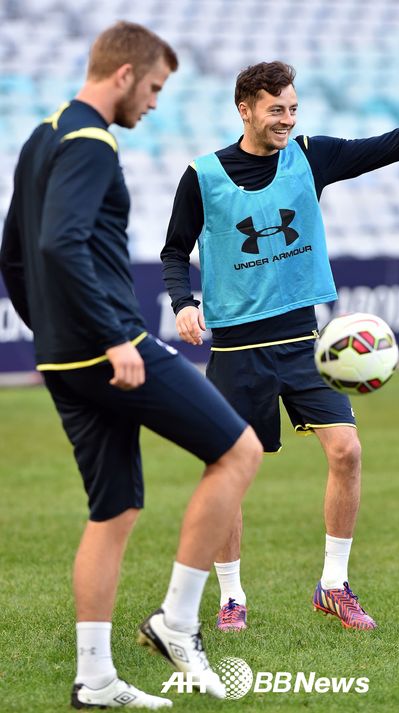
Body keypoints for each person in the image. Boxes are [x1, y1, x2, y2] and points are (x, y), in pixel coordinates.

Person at [160, 60, 399, 633]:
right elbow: (175, 250)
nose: (287, 119)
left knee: (346, 451)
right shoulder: (202, 175)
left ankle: (333, 585)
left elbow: (394, 144)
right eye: (276, 110)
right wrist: (183, 302)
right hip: (236, 350)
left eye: (293, 109)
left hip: (304, 340)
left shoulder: (311, 156)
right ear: (245, 110)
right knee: (228, 471)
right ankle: (231, 597)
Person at [0, 21, 262, 709]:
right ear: (124, 75)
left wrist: (51, 333)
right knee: (238, 451)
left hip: (65, 355)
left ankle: (95, 680)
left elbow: (13, 256)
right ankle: (177, 620)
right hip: (109, 347)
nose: (153, 102)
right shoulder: (92, 141)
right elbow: (58, 245)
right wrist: (115, 336)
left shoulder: (42, 135)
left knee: (113, 509)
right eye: (153, 87)